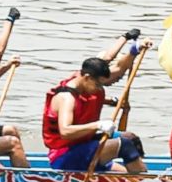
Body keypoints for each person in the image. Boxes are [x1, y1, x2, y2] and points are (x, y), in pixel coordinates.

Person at [41, 34, 152, 174]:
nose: (100, 88)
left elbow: (118, 69)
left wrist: (134, 51)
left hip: (83, 144)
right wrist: (98, 125)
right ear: (87, 78)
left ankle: (138, 172)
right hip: (64, 156)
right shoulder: (66, 98)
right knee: (125, 145)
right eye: (98, 85)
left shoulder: (89, 77)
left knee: (130, 138)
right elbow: (65, 131)